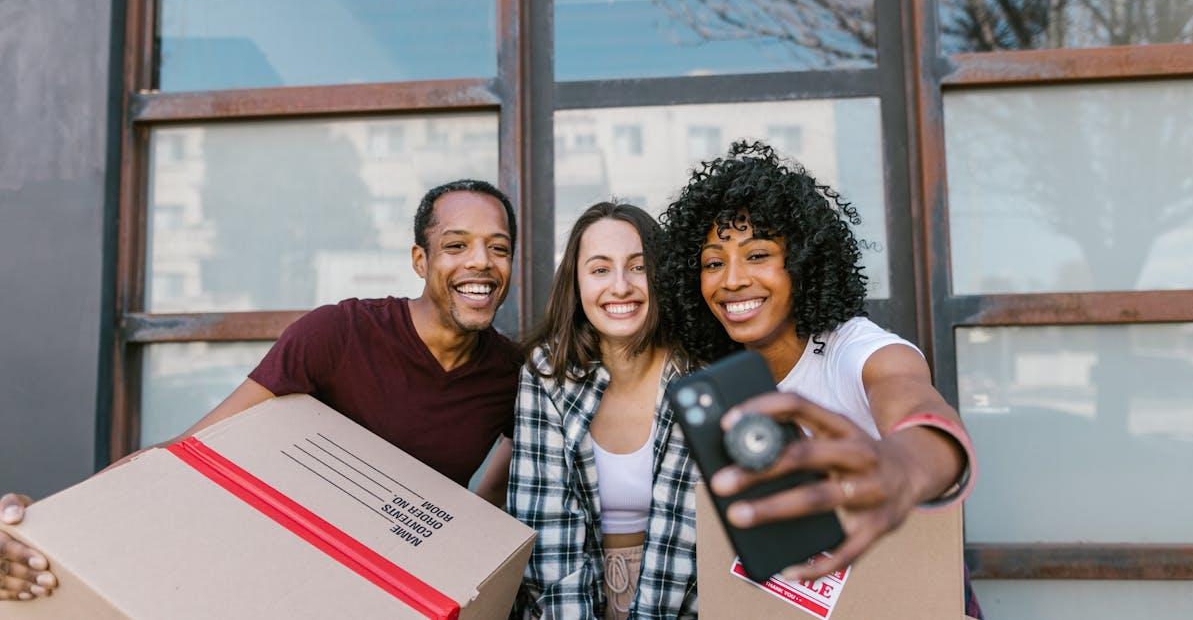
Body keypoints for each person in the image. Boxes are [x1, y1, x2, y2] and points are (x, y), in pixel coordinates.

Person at [0, 179, 522, 603]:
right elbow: (188, 454)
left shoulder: (511, 377)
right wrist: (46, 523)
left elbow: (494, 500)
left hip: (396, 596)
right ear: (420, 260)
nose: (480, 261)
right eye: (456, 245)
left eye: (497, 249)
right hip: (284, 581)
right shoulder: (339, 335)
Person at [657, 141, 983, 618]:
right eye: (712, 262)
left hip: (911, 595)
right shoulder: (718, 381)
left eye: (758, 254)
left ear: (803, 264)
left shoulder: (852, 348)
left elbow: (913, 400)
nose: (730, 280)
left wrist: (902, 466)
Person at [508, 202, 698, 619]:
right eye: (599, 269)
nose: (620, 286)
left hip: (679, 599)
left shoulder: (694, 375)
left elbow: (681, 535)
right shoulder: (547, 374)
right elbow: (545, 530)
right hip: (569, 598)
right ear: (576, 284)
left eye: (638, 267)